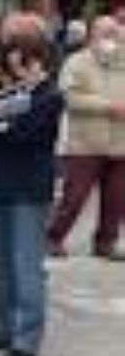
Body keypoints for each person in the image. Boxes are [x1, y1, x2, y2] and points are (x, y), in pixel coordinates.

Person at [0, 20, 64, 356]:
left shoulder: (49, 96)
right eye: (14, 61)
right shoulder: (10, 93)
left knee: (26, 265)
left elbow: (21, 134)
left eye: (25, 60)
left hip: (28, 188)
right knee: (0, 264)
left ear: (40, 60)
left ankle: (27, 337)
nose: (20, 68)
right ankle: (2, 328)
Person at [47, 16, 125, 260]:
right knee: (74, 197)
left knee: (116, 200)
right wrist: (108, 107)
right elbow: (69, 97)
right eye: (105, 33)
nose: (111, 38)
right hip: (86, 144)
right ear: (91, 35)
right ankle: (53, 237)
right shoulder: (76, 62)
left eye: (115, 33)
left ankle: (106, 243)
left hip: (120, 143)